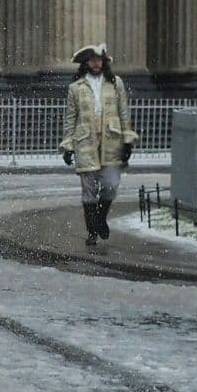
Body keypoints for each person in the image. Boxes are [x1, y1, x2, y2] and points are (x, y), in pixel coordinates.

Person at [59, 42, 137, 246]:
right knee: (89, 190)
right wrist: (67, 145)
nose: (96, 63)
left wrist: (127, 140)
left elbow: (123, 112)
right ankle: (91, 231)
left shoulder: (115, 83)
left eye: (99, 59)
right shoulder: (75, 88)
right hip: (85, 142)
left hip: (111, 141)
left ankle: (101, 219)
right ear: (85, 63)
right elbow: (70, 118)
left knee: (111, 185)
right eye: (93, 59)